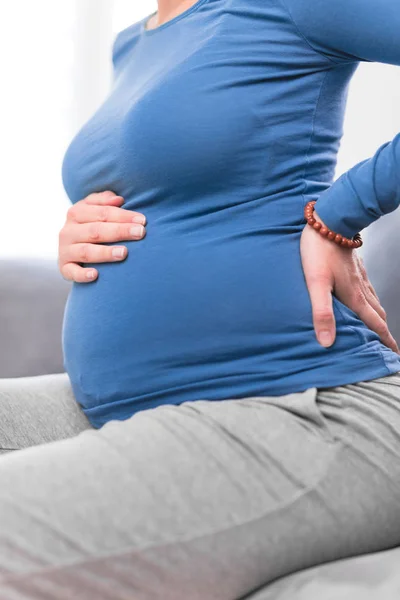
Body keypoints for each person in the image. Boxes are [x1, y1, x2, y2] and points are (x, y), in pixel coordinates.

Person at [1, 0, 400, 597]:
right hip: (139, 405)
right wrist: (79, 231)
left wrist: (341, 213)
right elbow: (172, 186)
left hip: (309, 403)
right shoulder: (133, 44)